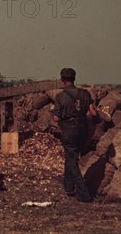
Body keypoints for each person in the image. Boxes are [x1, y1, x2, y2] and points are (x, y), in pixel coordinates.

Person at [51, 68, 97, 202]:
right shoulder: (85, 93)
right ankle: (68, 187)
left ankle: (84, 194)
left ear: (62, 80)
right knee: (70, 157)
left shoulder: (60, 96)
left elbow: (55, 119)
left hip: (69, 130)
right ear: (74, 79)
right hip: (83, 130)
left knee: (72, 160)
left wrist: (55, 113)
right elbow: (93, 113)